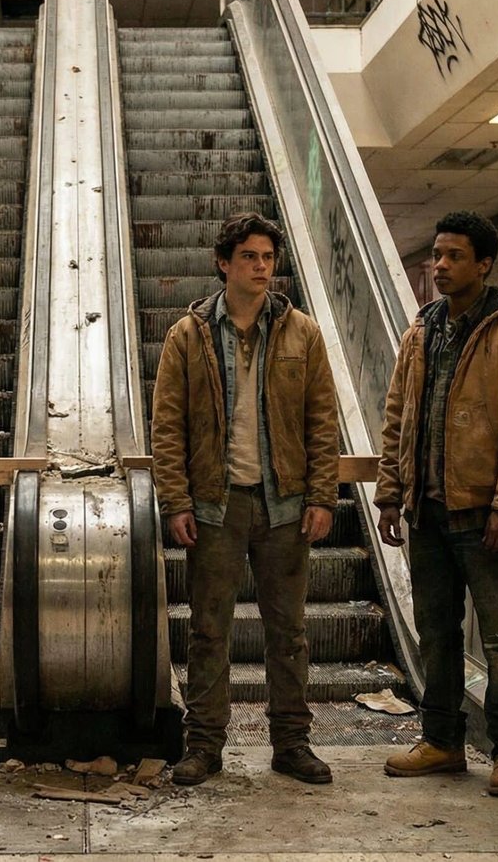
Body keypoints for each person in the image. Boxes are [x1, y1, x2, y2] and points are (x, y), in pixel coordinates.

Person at [151, 212, 340, 786]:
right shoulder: (189, 335)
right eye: (250, 257)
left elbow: (321, 420)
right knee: (209, 629)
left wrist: (323, 495)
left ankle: (291, 743)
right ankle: (205, 745)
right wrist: (176, 501)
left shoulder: (301, 332)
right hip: (216, 503)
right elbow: (168, 425)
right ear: (224, 263)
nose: (262, 268)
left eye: (268, 258)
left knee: (289, 631)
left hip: (284, 503)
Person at [373, 211, 498, 797]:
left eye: (454, 257)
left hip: (482, 516)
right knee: (437, 635)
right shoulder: (422, 331)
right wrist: (391, 496)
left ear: (483, 264)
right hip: (426, 514)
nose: (442, 267)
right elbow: (398, 415)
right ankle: (444, 741)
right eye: (437, 256)